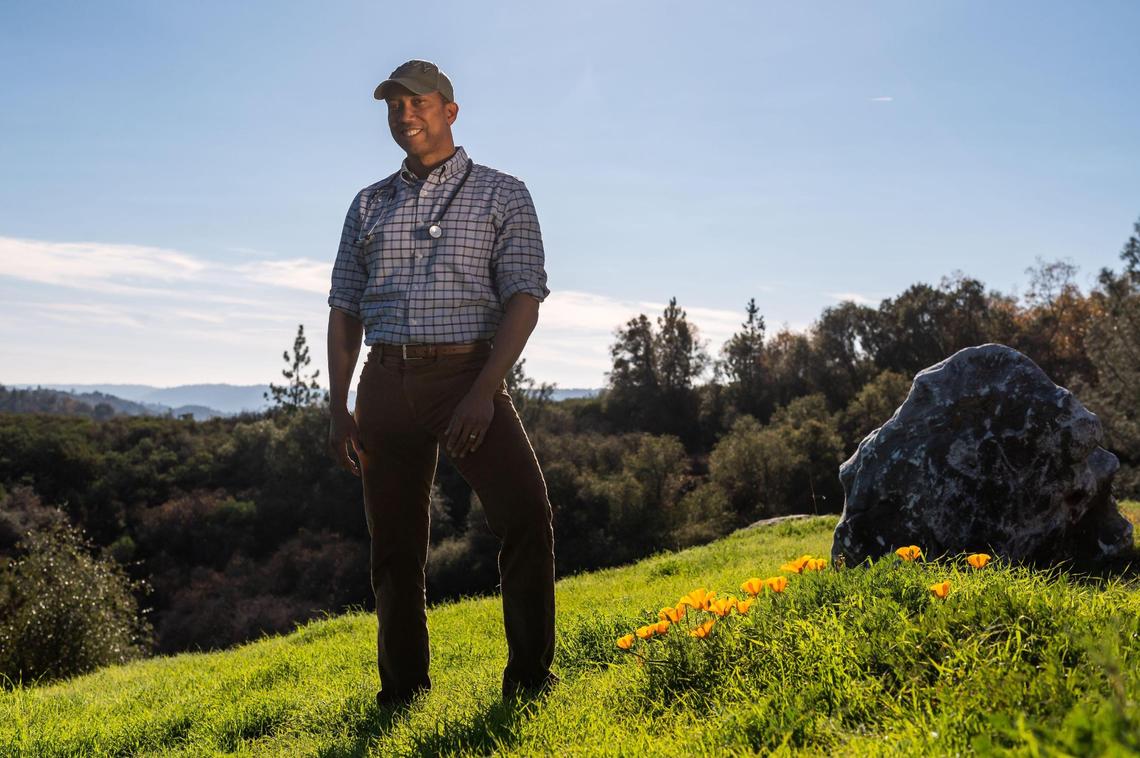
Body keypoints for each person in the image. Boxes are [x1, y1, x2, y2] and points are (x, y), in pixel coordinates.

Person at [325, 59, 557, 708]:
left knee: (526, 517)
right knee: (394, 546)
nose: (405, 115)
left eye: (418, 102)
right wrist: (339, 405)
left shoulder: (503, 193)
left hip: (465, 376)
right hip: (383, 382)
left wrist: (484, 390)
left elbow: (524, 297)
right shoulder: (368, 203)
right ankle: (402, 693)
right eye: (394, 106)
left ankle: (529, 682)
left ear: (449, 111)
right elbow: (344, 308)